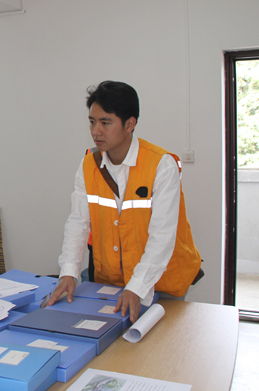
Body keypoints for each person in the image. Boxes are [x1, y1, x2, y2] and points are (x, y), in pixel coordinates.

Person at [47, 81, 202, 323]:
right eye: (92, 121)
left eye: (105, 122)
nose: (96, 131)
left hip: (163, 282)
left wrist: (137, 287)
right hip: (113, 283)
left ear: (129, 124)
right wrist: (69, 272)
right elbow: (78, 222)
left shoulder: (161, 165)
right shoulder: (89, 165)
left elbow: (162, 235)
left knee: (160, 344)